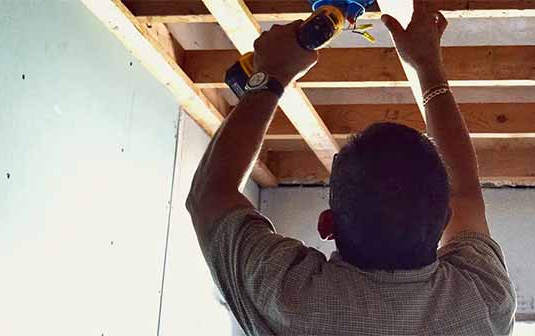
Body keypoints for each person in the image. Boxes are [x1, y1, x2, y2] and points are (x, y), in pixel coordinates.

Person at [186, 3, 516, 335]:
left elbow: (209, 195)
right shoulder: (481, 300)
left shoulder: (289, 293)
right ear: (444, 217)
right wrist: (270, 77)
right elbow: (209, 197)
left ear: (327, 225)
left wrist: (428, 65)